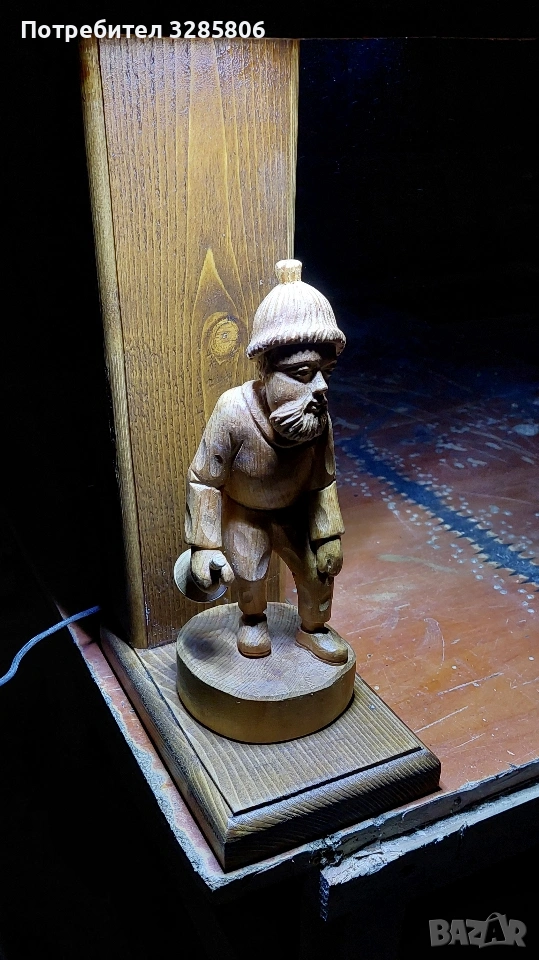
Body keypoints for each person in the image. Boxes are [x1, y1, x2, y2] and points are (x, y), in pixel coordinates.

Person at [185, 259, 347, 663]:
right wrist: (204, 546)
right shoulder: (232, 411)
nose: (321, 388)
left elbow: (323, 481)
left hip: (296, 513)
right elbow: (204, 479)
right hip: (246, 514)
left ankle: (313, 628)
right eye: (303, 372)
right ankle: (252, 619)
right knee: (249, 575)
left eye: (326, 372)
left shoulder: (317, 419)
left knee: (317, 573)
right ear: (266, 370)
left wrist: (327, 536)